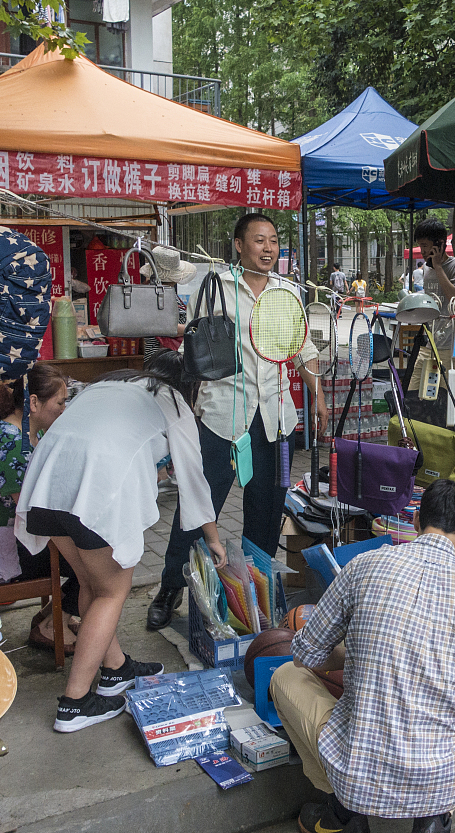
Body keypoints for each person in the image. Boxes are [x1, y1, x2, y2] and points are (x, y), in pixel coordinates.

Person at [273, 481, 455, 833]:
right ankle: (433, 824)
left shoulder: (363, 567)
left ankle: (345, 817)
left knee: (285, 676)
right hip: (442, 777)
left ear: (415, 521)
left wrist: (359, 654)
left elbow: (304, 653)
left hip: (356, 771)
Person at [16, 351, 227, 732]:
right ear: (188, 386)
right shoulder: (173, 400)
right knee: (112, 592)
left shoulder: (108, 384)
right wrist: (213, 538)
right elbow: (194, 479)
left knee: (91, 584)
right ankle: (75, 703)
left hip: (47, 490)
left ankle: (116, 669)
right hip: (92, 497)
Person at [147, 215, 329, 631]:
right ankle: (170, 587)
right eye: (259, 240)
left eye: (274, 241)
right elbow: (195, 346)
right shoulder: (216, 287)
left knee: (267, 510)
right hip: (221, 416)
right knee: (198, 505)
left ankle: (257, 592)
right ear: (238, 245)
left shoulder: (288, 292)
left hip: (275, 420)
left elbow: (303, 349)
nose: (268, 248)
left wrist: (317, 397)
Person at [0, 363, 79, 655]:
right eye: (60, 402)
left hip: (11, 537)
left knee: (90, 550)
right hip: (2, 550)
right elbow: (35, 516)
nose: (64, 410)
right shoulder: (12, 446)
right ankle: (52, 625)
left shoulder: (22, 433)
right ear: (33, 402)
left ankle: (51, 615)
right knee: (97, 560)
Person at [414, 217, 455, 338]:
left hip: (451, 337)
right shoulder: (426, 268)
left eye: (425, 245)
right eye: (420, 246)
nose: (422, 251)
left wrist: (438, 267)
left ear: (440, 244)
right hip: (430, 335)